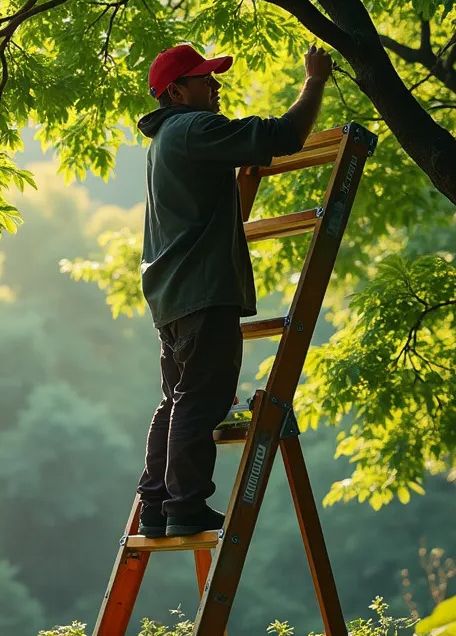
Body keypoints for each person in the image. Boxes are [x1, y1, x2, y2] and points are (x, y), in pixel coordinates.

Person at [135, 42, 332, 538]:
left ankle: (157, 506)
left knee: (176, 401)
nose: (215, 84)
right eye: (205, 79)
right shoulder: (193, 128)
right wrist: (314, 81)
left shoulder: (166, 140)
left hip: (173, 295)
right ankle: (185, 506)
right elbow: (284, 135)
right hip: (202, 293)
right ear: (176, 91)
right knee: (202, 401)